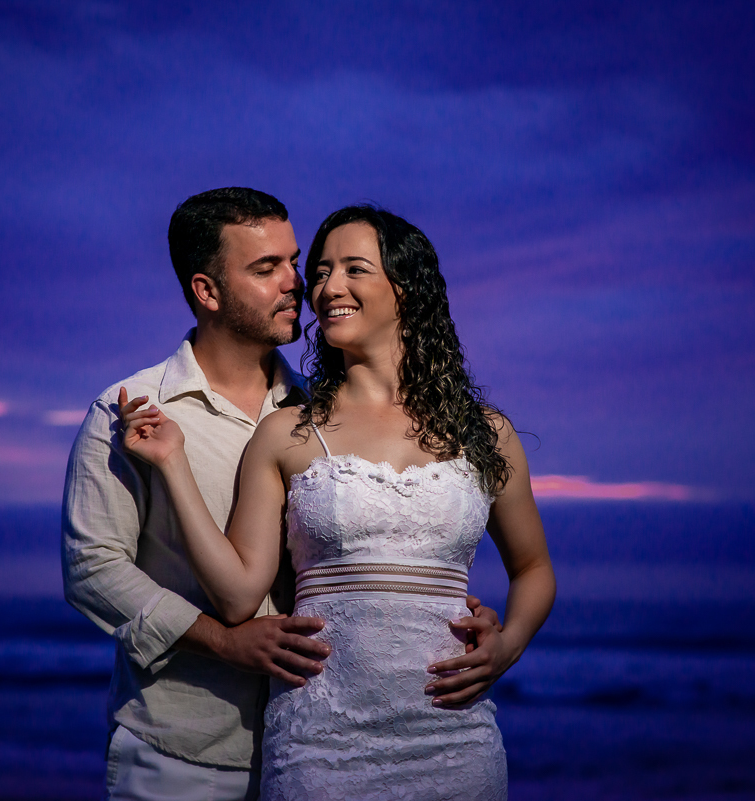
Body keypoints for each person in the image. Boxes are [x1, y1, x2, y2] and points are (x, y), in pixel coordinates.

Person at [63, 189, 501, 801]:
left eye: (294, 262)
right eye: (266, 269)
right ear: (207, 291)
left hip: (311, 729)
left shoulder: (315, 415)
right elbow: (94, 569)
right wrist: (222, 640)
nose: (298, 284)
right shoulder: (129, 410)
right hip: (188, 743)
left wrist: (422, 595)